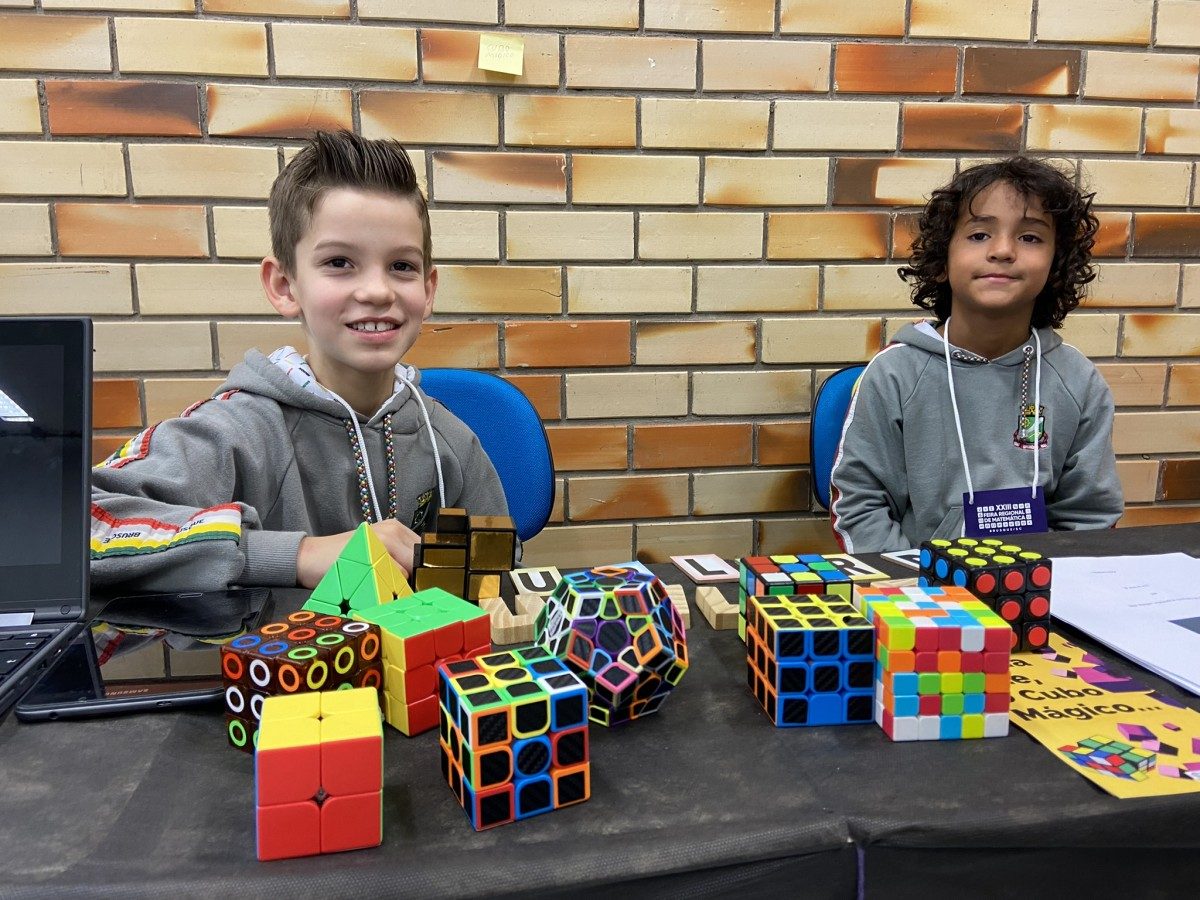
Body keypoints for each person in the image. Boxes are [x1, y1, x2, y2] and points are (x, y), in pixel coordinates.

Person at [91, 130, 510, 591]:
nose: (377, 291)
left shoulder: (450, 439)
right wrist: (297, 555)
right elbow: (70, 530)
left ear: (428, 290)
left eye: (402, 266)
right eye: (339, 262)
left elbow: (493, 579)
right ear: (284, 286)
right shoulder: (240, 430)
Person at [830, 156, 1123, 553]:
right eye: (980, 235)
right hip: (920, 594)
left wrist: (1034, 586)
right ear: (942, 261)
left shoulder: (1078, 382)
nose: (1003, 250)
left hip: (1036, 591)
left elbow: (1089, 517)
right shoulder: (896, 373)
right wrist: (917, 589)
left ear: (1057, 265)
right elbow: (860, 506)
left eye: (1031, 237)